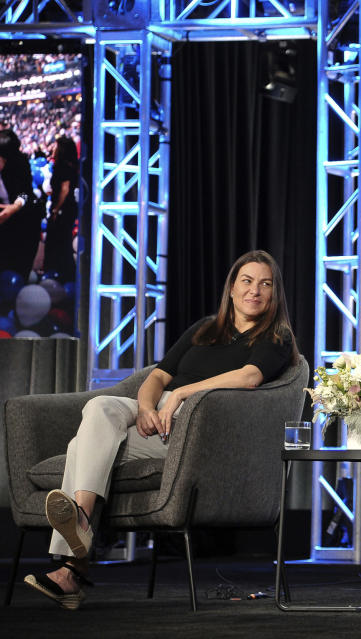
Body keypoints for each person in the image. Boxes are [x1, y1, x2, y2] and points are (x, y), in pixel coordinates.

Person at [24, 249, 298, 610]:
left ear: (273, 294)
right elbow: (157, 376)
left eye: (265, 285)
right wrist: (147, 406)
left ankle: (72, 563)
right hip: (157, 416)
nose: (255, 291)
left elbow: (248, 378)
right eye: (246, 281)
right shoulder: (204, 329)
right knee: (100, 407)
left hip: (195, 429)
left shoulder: (275, 339)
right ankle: (82, 526)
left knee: (80, 446)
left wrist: (180, 395)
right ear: (231, 288)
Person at [0, 128, 42, 280]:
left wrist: (15, 207)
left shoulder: (19, 165)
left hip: (23, 223)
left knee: (16, 266)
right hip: (4, 222)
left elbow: (25, 193)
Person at [43, 136, 79, 281]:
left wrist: (56, 209)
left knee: (59, 242)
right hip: (67, 208)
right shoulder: (69, 166)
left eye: (56, 146)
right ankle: (62, 273)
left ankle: (61, 274)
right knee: (62, 242)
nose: (53, 148)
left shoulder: (63, 167)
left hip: (63, 210)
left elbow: (65, 189)